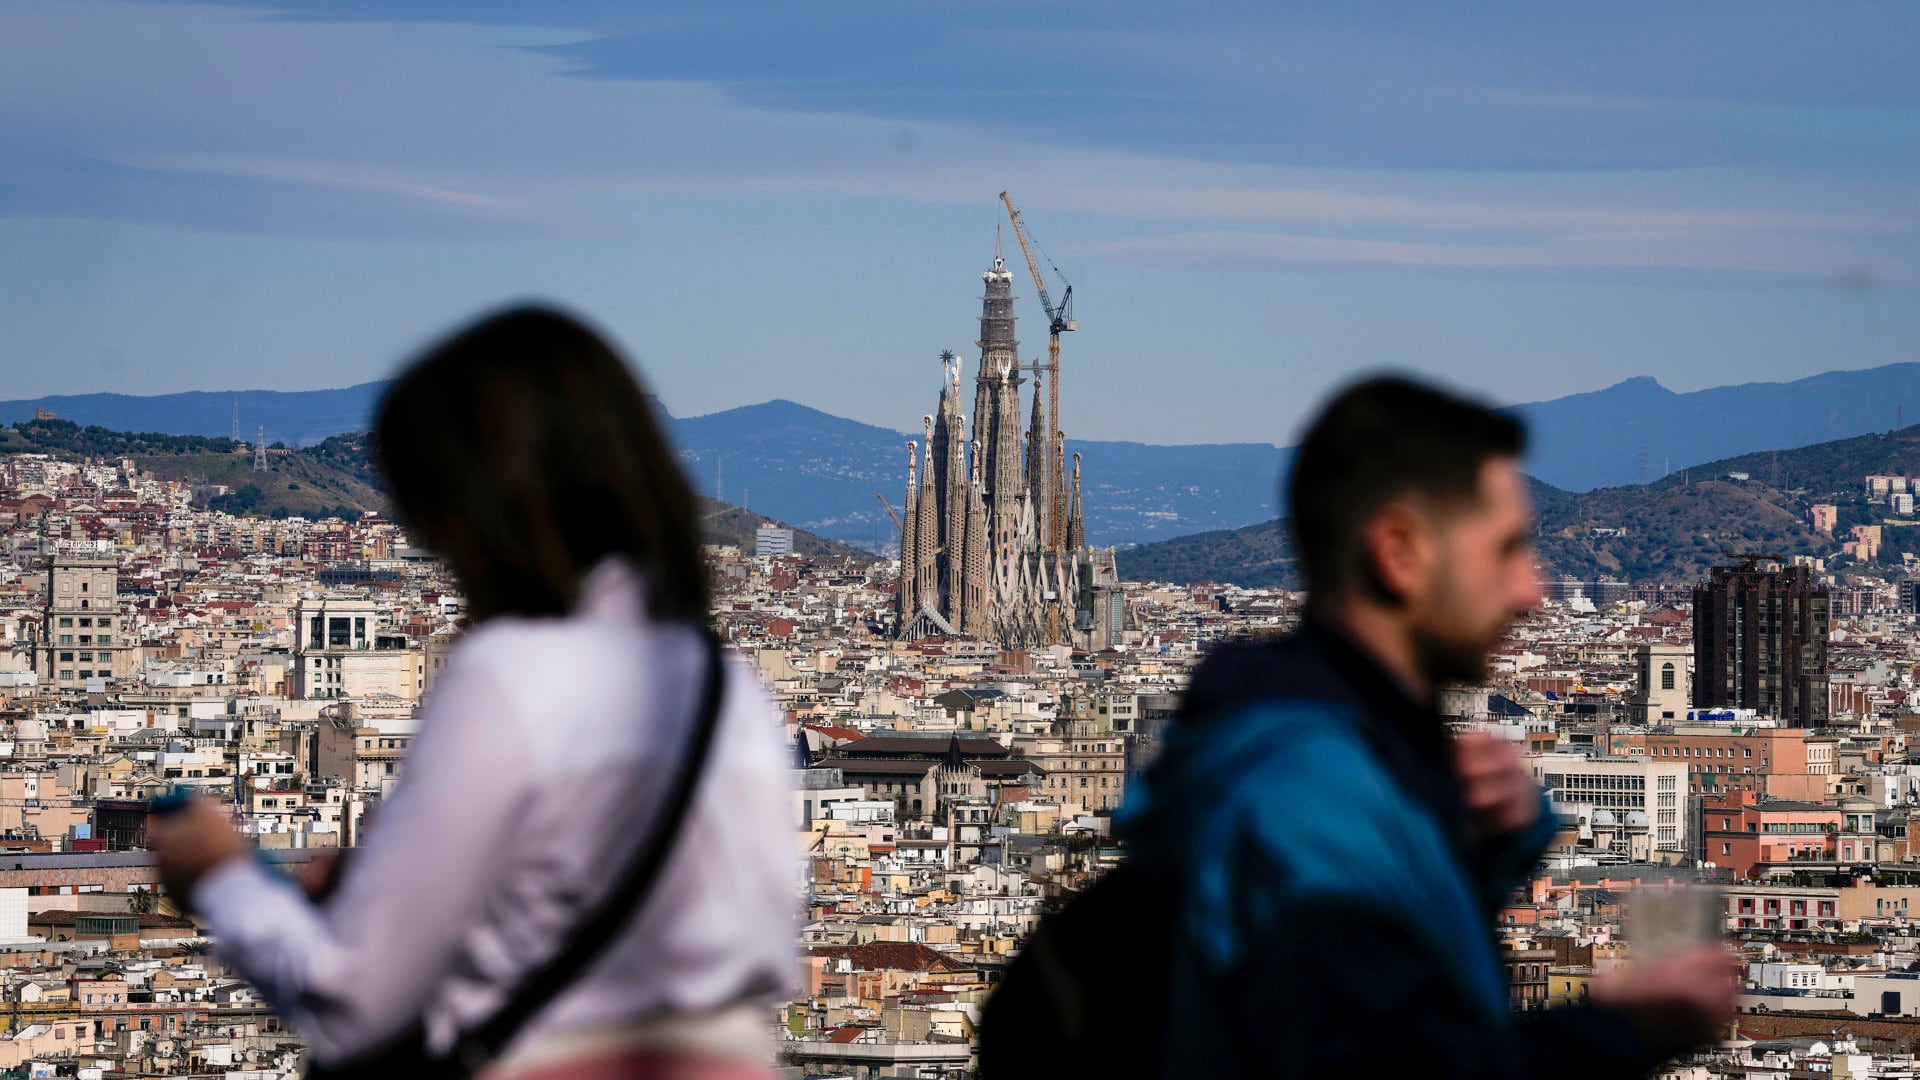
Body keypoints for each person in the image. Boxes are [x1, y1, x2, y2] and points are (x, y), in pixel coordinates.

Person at [149, 306, 796, 1079]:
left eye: (433, 514)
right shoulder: (726, 689)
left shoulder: (514, 672)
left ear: (486, 505)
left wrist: (220, 878)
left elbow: (352, 1004)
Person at [1115, 376, 1732, 1078]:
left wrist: (1480, 848)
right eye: (1505, 550)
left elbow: (1388, 984)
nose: (1532, 591)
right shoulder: (1308, 798)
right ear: (1399, 552)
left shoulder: (1338, 760)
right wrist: (1621, 1032)